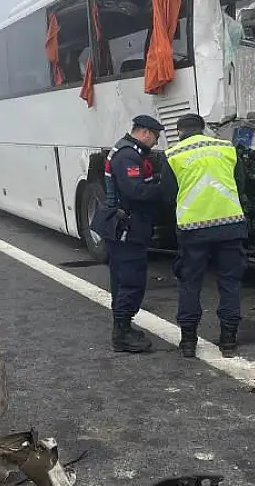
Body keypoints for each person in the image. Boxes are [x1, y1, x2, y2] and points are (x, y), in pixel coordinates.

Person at [163, 113, 247, 358]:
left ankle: (188, 341)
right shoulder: (226, 148)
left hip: (193, 229)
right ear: (203, 129)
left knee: (190, 284)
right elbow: (240, 184)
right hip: (230, 225)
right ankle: (228, 340)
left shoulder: (174, 155)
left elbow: (168, 194)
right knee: (230, 283)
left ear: (180, 131)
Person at [89, 114, 166, 353]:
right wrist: (162, 188)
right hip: (126, 228)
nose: (155, 142)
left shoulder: (129, 152)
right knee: (130, 281)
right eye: (155, 136)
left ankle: (122, 327)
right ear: (143, 132)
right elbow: (135, 191)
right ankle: (121, 332)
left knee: (123, 280)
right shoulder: (127, 156)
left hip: (126, 227)